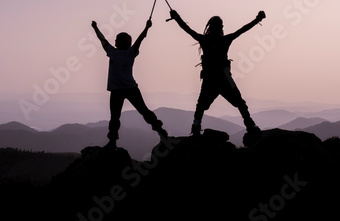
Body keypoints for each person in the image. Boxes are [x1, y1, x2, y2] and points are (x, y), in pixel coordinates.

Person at [168, 10, 266, 136]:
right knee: (240, 103)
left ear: (210, 27)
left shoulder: (204, 40)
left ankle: (196, 127)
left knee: (201, 105)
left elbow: (187, 29)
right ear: (221, 27)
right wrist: (258, 19)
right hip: (225, 78)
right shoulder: (225, 40)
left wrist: (177, 18)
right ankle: (250, 125)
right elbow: (243, 29)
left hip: (210, 79)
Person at [91, 19, 168, 149]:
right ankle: (161, 132)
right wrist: (146, 28)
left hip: (118, 90)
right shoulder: (128, 52)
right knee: (142, 111)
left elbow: (102, 39)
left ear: (121, 42)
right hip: (130, 89)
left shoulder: (113, 52)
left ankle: (112, 142)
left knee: (115, 117)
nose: (114, 41)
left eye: (116, 39)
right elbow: (140, 39)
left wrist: (95, 28)